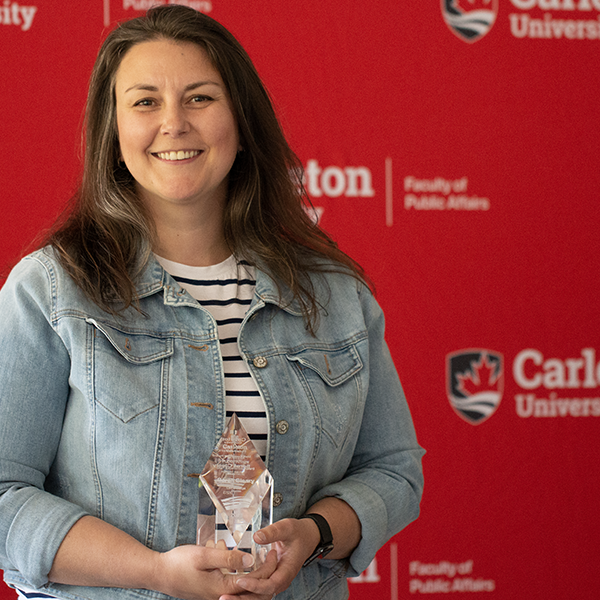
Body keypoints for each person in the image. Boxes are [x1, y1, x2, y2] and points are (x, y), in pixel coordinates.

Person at [0, 5, 424, 600]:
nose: (173, 123)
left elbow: (394, 472)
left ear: (242, 122)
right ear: (113, 135)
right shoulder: (50, 290)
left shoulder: (333, 293)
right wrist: (155, 573)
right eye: (145, 102)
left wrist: (314, 535)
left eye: (199, 98)